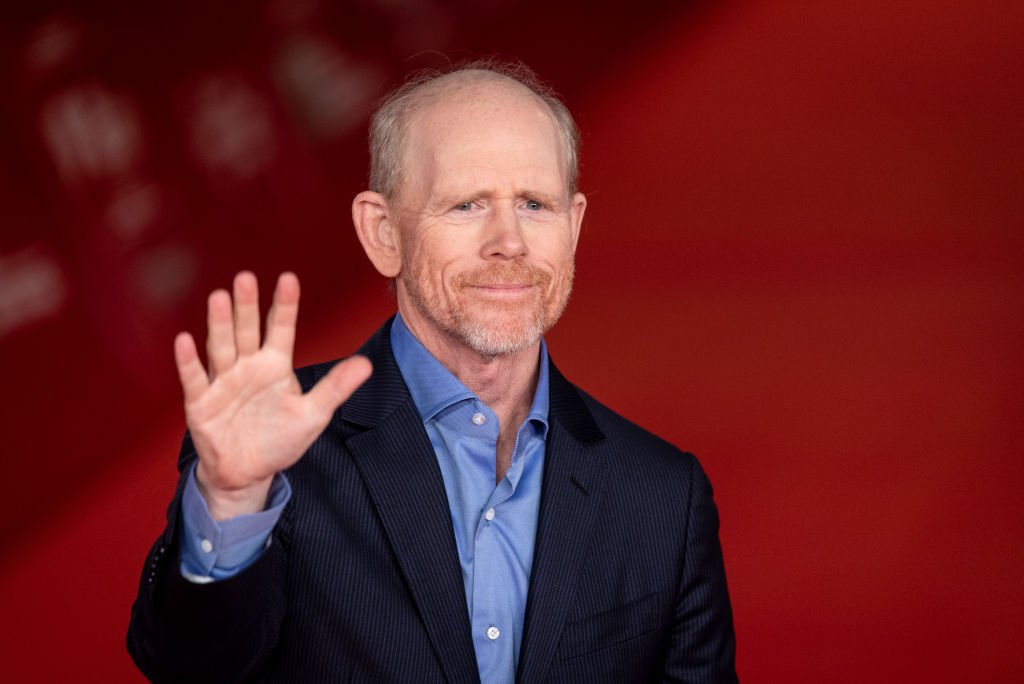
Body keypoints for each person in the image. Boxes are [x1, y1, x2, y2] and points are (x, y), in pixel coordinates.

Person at [127, 60, 738, 683]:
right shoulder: (275, 451)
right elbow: (188, 667)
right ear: (383, 232)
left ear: (573, 226)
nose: (510, 241)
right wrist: (232, 501)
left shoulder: (664, 495)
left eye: (534, 203)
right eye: (467, 204)